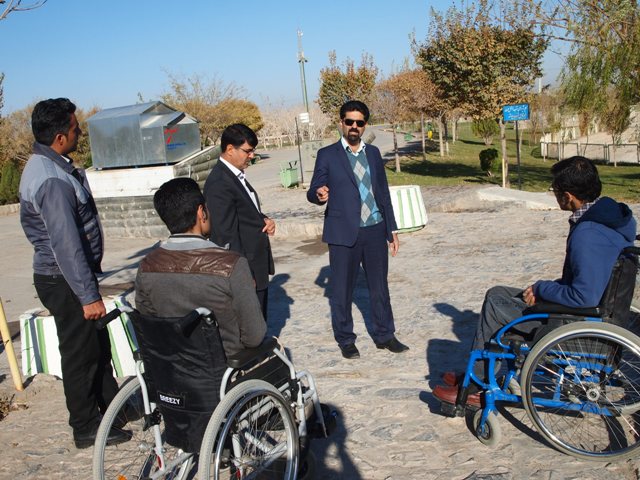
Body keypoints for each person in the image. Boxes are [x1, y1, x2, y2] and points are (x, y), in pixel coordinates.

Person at [433, 156, 637, 406]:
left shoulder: (589, 234)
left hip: (576, 323)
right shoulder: (611, 217)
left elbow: (584, 295)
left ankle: (476, 387)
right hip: (593, 315)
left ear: (568, 196)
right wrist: (546, 290)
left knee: (496, 305)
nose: (554, 195)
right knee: (498, 293)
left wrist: (542, 289)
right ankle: (476, 374)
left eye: (555, 190)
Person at [19, 98, 128, 449]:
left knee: (96, 345)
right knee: (80, 354)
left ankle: (113, 409)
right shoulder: (51, 180)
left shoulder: (51, 166)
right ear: (60, 137)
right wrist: (88, 295)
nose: (80, 131)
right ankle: (85, 426)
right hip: (63, 279)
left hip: (66, 277)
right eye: (76, 127)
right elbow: (66, 245)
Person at [306, 100, 408, 359]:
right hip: (343, 233)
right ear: (341, 123)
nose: (354, 126)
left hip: (375, 229)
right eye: (349, 121)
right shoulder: (327, 154)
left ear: (365, 125)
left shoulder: (373, 153)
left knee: (379, 287)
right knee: (342, 290)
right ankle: (346, 339)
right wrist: (319, 194)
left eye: (359, 122)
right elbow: (314, 188)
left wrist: (392, 229)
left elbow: (383, 193)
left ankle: (385, 335)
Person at [135, 177, 266, 356]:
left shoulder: (147, 266)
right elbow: (254, 336)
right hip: (226, 363)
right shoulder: (232, 264)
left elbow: (151, 325)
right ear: (201, 212)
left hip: (174, 362)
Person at [203, 124, 275, 321]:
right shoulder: (220, 182)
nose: (252, 155)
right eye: (247, 151)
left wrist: (263, 219)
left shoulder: (235, 175)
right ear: (230, 149)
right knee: (250, 326)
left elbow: (243, 211)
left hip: (255, 263)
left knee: (259, 321)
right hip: (245, 268)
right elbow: (225, 235)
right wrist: (242, 275)